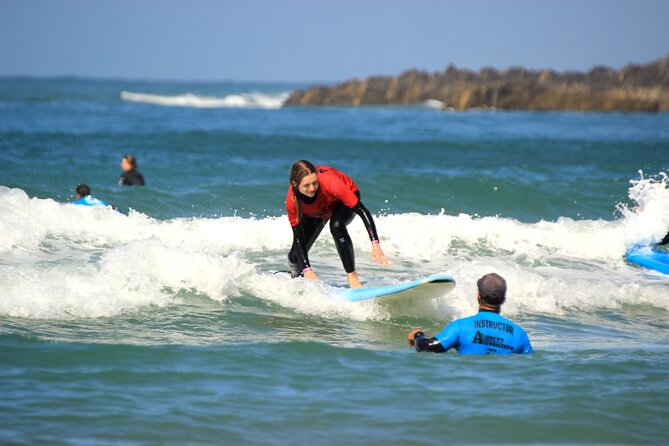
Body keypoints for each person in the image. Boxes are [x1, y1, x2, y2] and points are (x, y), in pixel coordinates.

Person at [286, 160, 390, 288]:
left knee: (336, 226)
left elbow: (362, 211)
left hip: (342, 198)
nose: (312, 188)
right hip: (319, 210)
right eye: (306, 185)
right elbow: (298, 236)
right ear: (295, 184)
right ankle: (298, 280)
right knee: (294, 257)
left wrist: (375, 244)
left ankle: (352, 278)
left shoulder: (330, 183)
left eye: (315, 182)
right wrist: (307, 270)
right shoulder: (292, 201)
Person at [407, 273, 533, 355]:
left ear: (478, 296)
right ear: (503, 300)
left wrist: (418, 335)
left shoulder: (460, 327)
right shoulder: (520, 334)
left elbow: (426, 348)